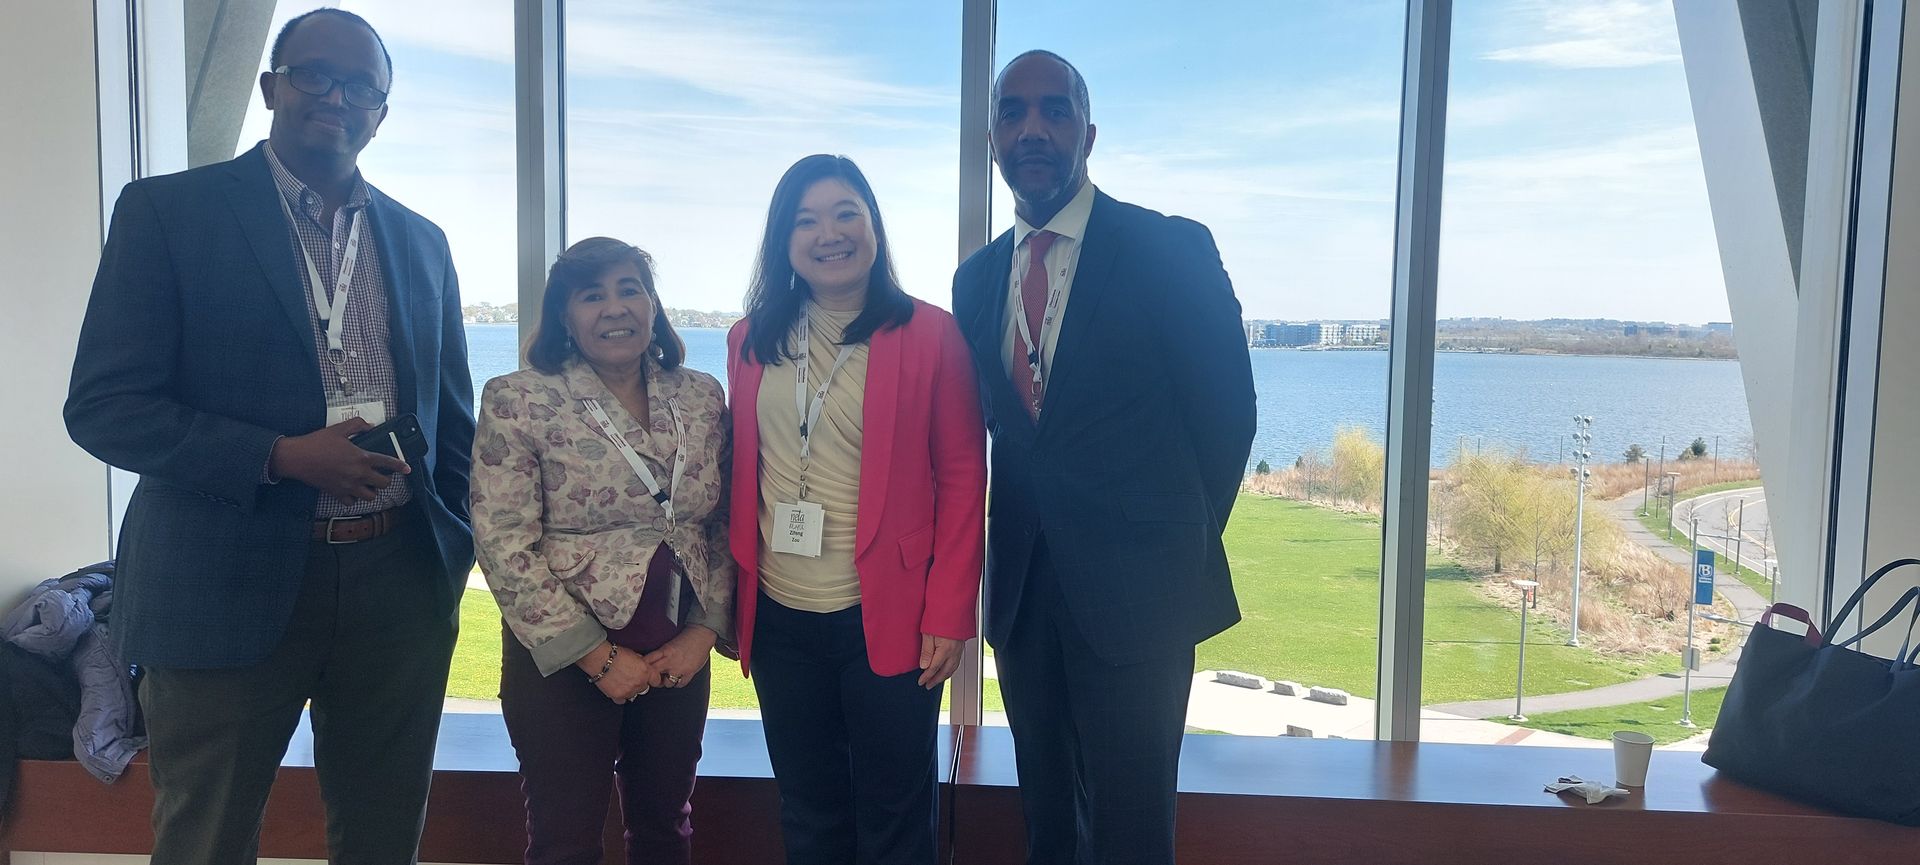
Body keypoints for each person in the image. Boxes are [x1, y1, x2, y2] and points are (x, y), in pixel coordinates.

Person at [63, 9, 475, 863]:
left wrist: (450, 551)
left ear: (381, 113)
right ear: (269, 87)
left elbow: (453, 423)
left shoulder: (423, 242)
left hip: (397, 587)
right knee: (205, 839)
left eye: (361, 87)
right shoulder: (169, 213)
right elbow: (104, 404)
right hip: (220, 582)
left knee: (383, 835)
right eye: (315, 74)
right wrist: (279, 456)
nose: (337, 97)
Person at [949, 50, 1257, 865]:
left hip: (1141, 598)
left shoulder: (1168, 249)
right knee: (1049, 825)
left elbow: (1228, 418)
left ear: (1088, 134)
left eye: (1055, 110)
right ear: (992, 139)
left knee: (1131, 830)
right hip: (1023, 601)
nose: (1033, 128)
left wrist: (1166, 546)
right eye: (1013, 112)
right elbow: (1001, 429)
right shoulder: (975, 281)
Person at [726, 154, 985, 865]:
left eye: (847, 214)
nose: (829, 233)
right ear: (783, 239)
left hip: (892, 613)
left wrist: (949, 612)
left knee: (894, 813)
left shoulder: (932, 334)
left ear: (874, 227)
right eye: (806, 220)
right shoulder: (749, 340)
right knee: (808, 809)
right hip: (778, 617)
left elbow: (964, 477)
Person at [472, 237, 734, 865]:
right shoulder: (518, 399)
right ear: (565, 317)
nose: (615, 308)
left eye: (629, 290)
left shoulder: (702, 396)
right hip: (564, 659)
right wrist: (596, 656)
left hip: (677, 650)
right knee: (564, 841)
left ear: (653, 306)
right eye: (593, 296)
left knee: (665, 827)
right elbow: (502, 540)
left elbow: (723, 523)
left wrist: (704, 632)